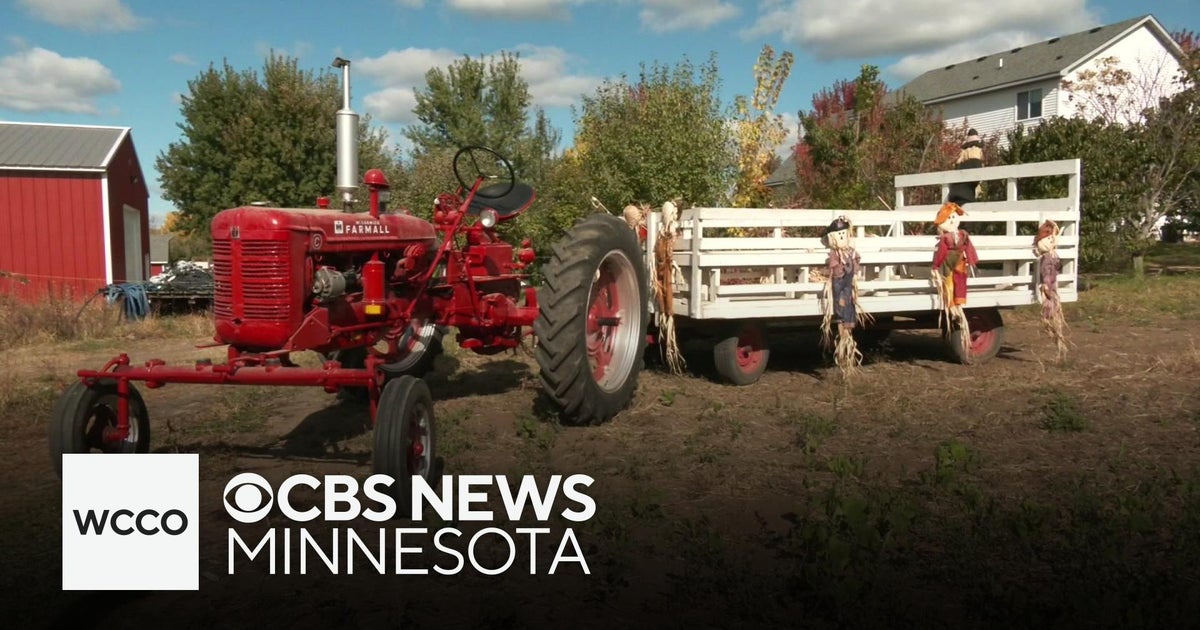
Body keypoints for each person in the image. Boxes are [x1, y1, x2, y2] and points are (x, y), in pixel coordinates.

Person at [947, 128, 983, 205]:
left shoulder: (959, 161)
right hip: (966, 197)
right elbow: (977, 177)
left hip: (953, 197)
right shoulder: (975, 153)